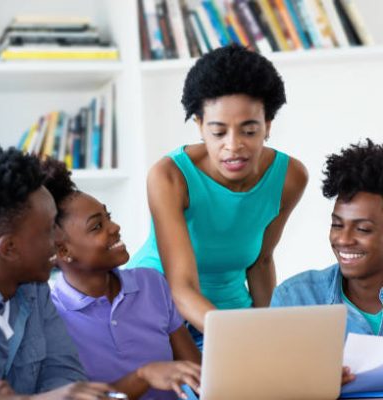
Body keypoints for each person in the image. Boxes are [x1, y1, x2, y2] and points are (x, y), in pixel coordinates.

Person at [126, 44, 308, 348]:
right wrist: (238, 340)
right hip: (158, 314)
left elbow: (261, 263)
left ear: (268, 125)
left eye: (249, 131)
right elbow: (180, 287)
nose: (233, 146)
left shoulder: (290, 177)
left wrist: (270, 336)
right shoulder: (170, 177)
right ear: (199, 126)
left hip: (229, 315)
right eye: (218, 132)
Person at [41, 158, 201, 400]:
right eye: (96, 226)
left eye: (108, 216)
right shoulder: (52, 315)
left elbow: (199, 372)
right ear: (63, 251)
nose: (114, 227)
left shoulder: (152, 283)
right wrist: (143, 375)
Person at [0, 146, 114, 399]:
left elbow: (66, 374)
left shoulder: (35, 288)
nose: (59, 239)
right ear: (9, 248)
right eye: (48, 230)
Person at [271, 139, 383, 384]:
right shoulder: (295, 300)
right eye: (337, 225)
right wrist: (306, 384)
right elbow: (270, 387)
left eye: (363, 229)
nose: (343, 239)